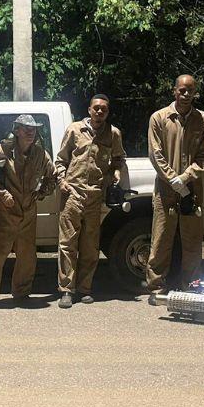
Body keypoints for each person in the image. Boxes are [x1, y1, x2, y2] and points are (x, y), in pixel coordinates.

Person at [0, 115, 56, 312]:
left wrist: (42, 192)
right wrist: (0, 194)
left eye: (33, 129)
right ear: (17, 131)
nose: (30, 132)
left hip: (28, 211)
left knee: (27, 255)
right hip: (6, 211)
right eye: (26, 129)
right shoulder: (3, 150)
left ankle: (21, 293)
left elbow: (52, 176)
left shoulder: (41, 154)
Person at [56, 94, 126, 308]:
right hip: (72, 194)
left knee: (90, 245)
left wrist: (115, 172)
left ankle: (85, 288)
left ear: (107, 112)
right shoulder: (74, 130)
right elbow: (61, 159)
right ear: (89, 110)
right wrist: (61, 181)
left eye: (104, 109)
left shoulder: (113, 133)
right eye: (96, 108)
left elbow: (118, 159)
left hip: (95, 196)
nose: (99, 111)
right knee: (68, 244)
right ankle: (66, 290)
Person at [146, 75, 204, 305]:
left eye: (190, 90)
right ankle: (156, 286)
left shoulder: (203, 119)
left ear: (195, 93)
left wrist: (185, 177)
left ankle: (191, 286)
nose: (185, 94)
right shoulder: (159, 118)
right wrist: (172, 178)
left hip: (192, 189)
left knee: (192, 240)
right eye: (182, 90)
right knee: (161, 238)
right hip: (165, 189)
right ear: (174, 91)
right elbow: (155, 153)